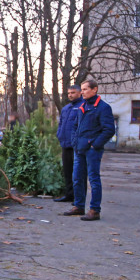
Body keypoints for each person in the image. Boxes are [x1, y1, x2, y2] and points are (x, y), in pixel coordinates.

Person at [62, 79, 115, 221]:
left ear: (95, 89)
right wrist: (74, 142)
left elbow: (109, 129)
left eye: (85, 89)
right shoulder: (83, 107)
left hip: (92, 150)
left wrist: (95, 145)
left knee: (93, 179)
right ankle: (79, 206)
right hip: (79, 149)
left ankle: (94, 210)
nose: (83, 92)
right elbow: (75, 126)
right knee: (77, 178)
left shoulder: (103, 108)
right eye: (83, 89)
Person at [54, 85, 84, 202]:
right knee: (67, 171)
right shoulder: (66, 108)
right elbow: (61, 123)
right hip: (65, 144)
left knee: (77, 173)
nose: (70, 95)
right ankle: (69, 195)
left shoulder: (82, 106)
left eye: (73, 92)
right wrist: (59, 135)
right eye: (69, 93)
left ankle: (79, 198)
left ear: (79, 93)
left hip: (76, 146)